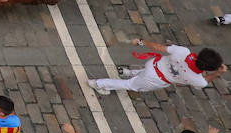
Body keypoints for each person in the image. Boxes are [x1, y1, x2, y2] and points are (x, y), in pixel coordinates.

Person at [88, 39, 224, 96]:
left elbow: (158, 47)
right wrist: (218, 73)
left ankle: (128, 72)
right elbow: (204, 82)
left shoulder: (183, 51)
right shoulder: (196, 79)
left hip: (153, 64)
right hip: (156, 79)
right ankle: (99, 84)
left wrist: (141, 41)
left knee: (140, 74)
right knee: (130, 85)